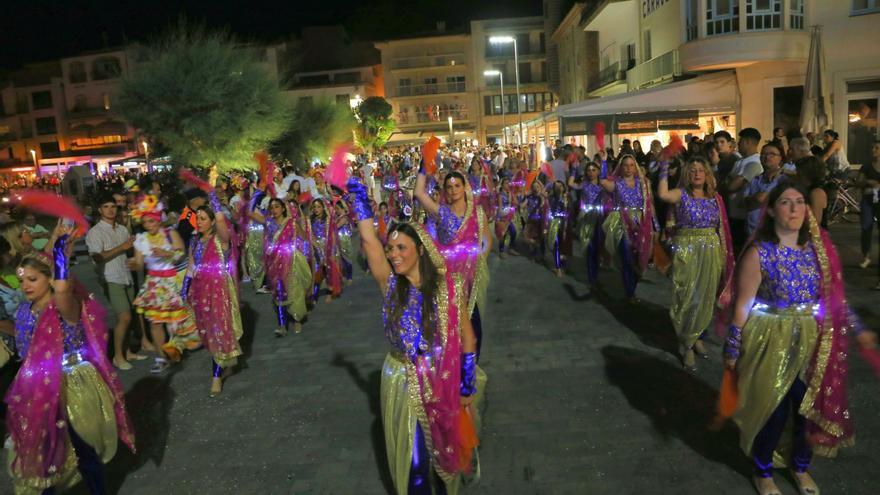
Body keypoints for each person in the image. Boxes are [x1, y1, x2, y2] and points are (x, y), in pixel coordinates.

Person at [722, 182, 877, 495]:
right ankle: (763, 471)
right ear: (770, 210)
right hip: (769, 339)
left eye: (799, 201)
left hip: (813, 339)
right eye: (784, 202)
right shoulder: (759, 252)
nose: (793, 208)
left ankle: (800, 466)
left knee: (809, 409)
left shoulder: (820, 251)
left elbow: (836, 300)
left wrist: (859, 329)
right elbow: (742, 305)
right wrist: (733, 349)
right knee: (773, 411)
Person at [348, 177, 484, 494]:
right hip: (401, 379)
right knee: (414, 463)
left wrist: (465, 386)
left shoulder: (447, 286)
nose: (393, 254)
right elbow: (369, 243)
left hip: (443, 378)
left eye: (401, 248)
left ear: (419, 250)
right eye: (391, 248)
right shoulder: (390, 284)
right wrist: (359, 201)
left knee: (446, 455)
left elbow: (468, 338)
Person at [4, 230, 135, 494]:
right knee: (44, 457)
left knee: (85, 450)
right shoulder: (23, 311)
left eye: (33, 279)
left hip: (71, 385)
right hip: (39, 390)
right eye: (22, 281)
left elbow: (62, 293)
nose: (26, 285)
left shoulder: (65, 306)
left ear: (50, 279)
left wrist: (61, 262)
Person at [656, 156, 733, 370]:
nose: (697, 174)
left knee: (704, 296)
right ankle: (686, 345)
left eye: (701, 170)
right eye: (692, 171)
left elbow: (722, 229)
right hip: (686, 249)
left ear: (708, 174)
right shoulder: (681, 194)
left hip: (710, 250)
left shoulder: (716, 198)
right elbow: (662, 194)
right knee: (685, 295)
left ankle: (694, 335)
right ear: (686, 175)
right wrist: (663, 167)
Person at [414, 169, 492, 362]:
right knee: (448, 328)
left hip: (471, 282)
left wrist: (474, 262)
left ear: (465, 187)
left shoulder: (477, 213)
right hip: (448, 282)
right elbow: (419, 193)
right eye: (449, 187)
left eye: (457, 185)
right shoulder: (442, 213)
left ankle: (470, 370)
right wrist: (423, 168)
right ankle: (451, 370)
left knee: (474, 329)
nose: (453, 189)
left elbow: (487, 242)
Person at [129, 195, 198, 371]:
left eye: (151, 221)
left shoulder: (170, 233)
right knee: (155, 322)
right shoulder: (141, 239)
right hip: (153, 283)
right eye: (145, 223)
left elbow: (181, 253)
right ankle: (162, 357)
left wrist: (166, 254)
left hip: (170, 280)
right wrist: (133, 264)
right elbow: (138, 263)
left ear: (158, 219)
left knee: (173, 322)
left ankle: (175, 351)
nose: (149, 225)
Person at [181, 203, 243, 397]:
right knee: (208, 331)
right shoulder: (195, 241)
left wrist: (216, 206)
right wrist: (184, 288)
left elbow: (224, 230)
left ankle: (216, 377)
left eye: (203, 218)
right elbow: (191, 267)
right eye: (197, 218)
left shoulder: (220, 240)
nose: (199, 222)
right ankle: (224, 363)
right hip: (200, 292)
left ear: (212, 221)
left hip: (219, 291)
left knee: (218, 330)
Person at [86, 193, 143, 370]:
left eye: (113, 206)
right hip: (110, 277)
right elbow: (97, 257)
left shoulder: (122, 229)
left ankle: (126, 352)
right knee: (123, 316)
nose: (110, 210)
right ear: (99, 210)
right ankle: (118, 356)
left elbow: (130, 251)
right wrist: (122, 248)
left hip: (125, 275)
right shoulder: (95, 232)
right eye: (106, 207)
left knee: (129, 315)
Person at [600, 154, 656, 301]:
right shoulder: (617, 184)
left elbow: (650, 206)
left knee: (640, 259)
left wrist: (655, 225)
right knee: (626, 257)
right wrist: (604, 162)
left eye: (631, 165)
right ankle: (629, 292)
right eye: (625, 165)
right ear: (621, 167)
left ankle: (633, 284)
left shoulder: (643, 184)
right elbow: (602, 181)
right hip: (623, 223)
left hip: (641, 224)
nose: (629, 168)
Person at [258, 197, 313, 336]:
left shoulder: (292, 223)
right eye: (271, 207)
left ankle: (296, 319)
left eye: (277, 206)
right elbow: (252, 215)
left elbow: (304, 238)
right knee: (279, 292)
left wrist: (302, 256)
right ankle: (282, 325)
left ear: (283, 208)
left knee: (294, 290)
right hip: (275, 263)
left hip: (291, 261)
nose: (274, 210)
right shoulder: (269, 224)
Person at [725, 128, 763, 253]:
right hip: (734, 214)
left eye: (740, 141)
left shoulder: (754, 163)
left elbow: (732, 186)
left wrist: (729, 182)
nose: (738, 144)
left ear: (748, 142)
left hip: (743, 217)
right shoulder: (741, 161)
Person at [742, 143, 787, 235]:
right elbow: (744, 202)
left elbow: (760, 199)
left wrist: (755, 198)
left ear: (780, 158)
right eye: (763, 154)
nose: (767, 157)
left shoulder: (783, 179)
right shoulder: (755, 179)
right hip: (751, 233)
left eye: (772, 154)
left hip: (773, 233)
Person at [572, 162, 604, 286]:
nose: (591, 172)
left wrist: (604, 162)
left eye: (594, 170)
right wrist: (574, 168)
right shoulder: (583, 185)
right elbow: (570, 184)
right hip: (586, 218)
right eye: (589, 170)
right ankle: (592, 278)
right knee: (589, 247)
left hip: (599, 218)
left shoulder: (602, 185)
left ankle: (596, 272)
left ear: (598, 171)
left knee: (598, 247)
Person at [310, 198, 343, 304]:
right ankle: (314, 296)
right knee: (316, 272)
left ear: (323, 208)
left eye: (319, 207)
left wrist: (332, 251)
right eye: (314, 207)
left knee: (329, 271)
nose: (316, 209)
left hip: (328, 248)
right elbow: (310, 235)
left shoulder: (328, 220)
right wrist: (316, 245)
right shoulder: (311, 220)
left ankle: (330, 292)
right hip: (316, 248)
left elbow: (332, 236)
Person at [856, 141, 880, 272]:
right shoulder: (866, 166)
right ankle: (866, 256)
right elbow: (858, 182)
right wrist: (867, 181)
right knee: (866, 227)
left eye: (877, 148)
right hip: (868, 201)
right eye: (872, 147)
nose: (873, 150)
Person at [545, 180, 572, 277]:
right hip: (553, 222)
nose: (558, 188)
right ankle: (558, 268)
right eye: (556, 186)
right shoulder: (550, 197)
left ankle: (562, 265)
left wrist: (565, 226)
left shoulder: (566, 198)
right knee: (554, 244)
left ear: (563, 188)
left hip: (564, 223)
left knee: (563, 246)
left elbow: (568, 211)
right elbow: (543, 193)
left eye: (560, 186)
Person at [794, 156, 829, 227]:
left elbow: (815, 221)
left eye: (798, 172)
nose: (796, 175)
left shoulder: (817, 192)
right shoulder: (804, 189)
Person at [495, 177, 519, 257]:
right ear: (502, 185)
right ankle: (501, 251)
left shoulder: (510, 194)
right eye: (506, 183)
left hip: (509, 216)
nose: (508, 185)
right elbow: (500, 206)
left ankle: (511, 248)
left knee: (513, 232)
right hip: (503, 216)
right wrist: (499, 218)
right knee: (503, 233)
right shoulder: (500, 195)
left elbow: (516, 203)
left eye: (508, 183)